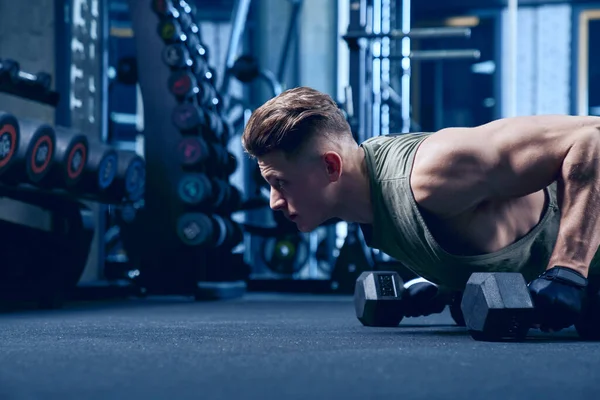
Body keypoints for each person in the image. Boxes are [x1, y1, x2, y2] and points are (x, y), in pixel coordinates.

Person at [241, 86, 600, 333]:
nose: (274, 202)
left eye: (281, 183)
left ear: (331, 168)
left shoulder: (435, 171)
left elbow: (591, 137)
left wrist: (568, 270)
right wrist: (444, 285)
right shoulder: (368, 204)